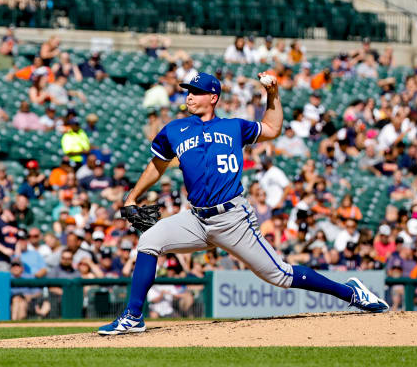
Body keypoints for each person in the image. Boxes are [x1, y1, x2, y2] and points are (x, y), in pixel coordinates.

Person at [98, 72, 388, 335]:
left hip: (233, 218)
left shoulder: (234, 127)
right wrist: (132, 195)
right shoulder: (174, 130)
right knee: (149, 240)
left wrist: (272, 94)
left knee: (281, 275)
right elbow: (157, 165)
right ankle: (133, 316)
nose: (189, 96)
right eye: (188, 90)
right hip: (196, 219)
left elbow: (273, 129)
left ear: (213, 97)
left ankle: (350, 292)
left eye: (196, 91)